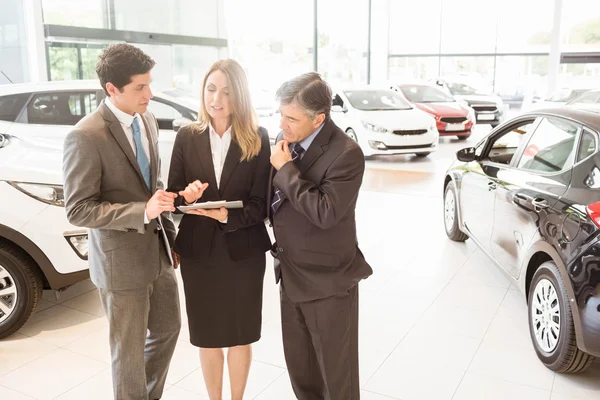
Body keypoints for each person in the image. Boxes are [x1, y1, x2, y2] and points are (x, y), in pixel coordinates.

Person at [63, 43, 181, 400]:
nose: (150, 94)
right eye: (139, 87)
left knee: (168, 329)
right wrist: (141, 212)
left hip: (157, 252)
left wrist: (169, 237)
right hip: (120, 263)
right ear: (112, 89)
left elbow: (153, 185)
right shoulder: (85, 136)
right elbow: (79, 209)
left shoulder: (145, 120)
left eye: (149, 84)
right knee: (127, 354)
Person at [167, 59, 272, 400]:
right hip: (200, 253)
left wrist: (224, 216)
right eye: (211, 89)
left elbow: (262, 204)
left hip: (243, 253)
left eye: (226, 91)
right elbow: (174, 196)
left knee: (241, 334)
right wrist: (187, 196)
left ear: (239, 95)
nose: (217, 98)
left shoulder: (258, 138)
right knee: (208, 336)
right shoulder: (187, 136)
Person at [268, 72, 373, 400]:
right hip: (291, 274)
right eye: (281, 115)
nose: (283, 125)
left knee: (336, 380)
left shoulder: (346, 154)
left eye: (291, 118)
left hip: (329, 284)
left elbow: (325, 212)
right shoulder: (284, 141)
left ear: (319, 119)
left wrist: (286, 170)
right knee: (302, 372)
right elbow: (274, 201)